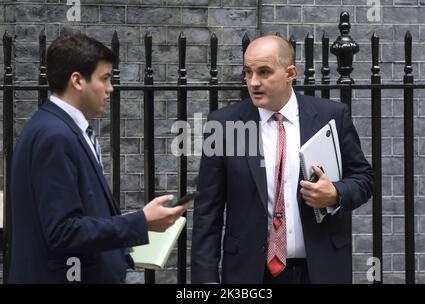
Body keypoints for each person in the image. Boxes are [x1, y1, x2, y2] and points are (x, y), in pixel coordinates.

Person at [8, 34, 190, 283]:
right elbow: (63, 231)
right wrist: (141, 222)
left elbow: (79, 215)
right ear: (77, 81)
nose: (110, 88)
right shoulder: (55, 136)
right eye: (104, 78)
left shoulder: (59, 128)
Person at [191, 35, 373, 284]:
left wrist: (336, 194)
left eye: (264, 72)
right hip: (250, 273)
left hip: (320, 269)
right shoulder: (224, 125)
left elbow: (363, 179)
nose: (254, 82)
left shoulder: (331, 116)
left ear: (290, 73)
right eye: (248, 72)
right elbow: (207, 214)